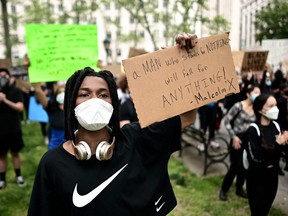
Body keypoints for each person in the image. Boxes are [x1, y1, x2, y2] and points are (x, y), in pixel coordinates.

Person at [28, 33, 198, 215]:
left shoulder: (136, 139)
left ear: (113, 104)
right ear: (71, 104)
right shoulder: (52, 164)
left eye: (103, 95)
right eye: (84, 94)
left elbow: (186, 117)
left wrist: (184, 63)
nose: (95, 100)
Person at [244, 93, 288, 216]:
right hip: (257, 179)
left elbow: (280, 154)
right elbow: (256, 159)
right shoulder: (253, 130)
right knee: (258, 213)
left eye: (276, 105)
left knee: (265, 211)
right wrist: (278, 144)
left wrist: (285, 144)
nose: (275, 109)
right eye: (271, 106)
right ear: (260, 109)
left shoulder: (276, 126)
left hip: (272, 178)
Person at [219, 85, 261, 201]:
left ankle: (239, 188)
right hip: (237, 140)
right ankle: (224, 189)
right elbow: (226, 121)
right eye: (256, 93)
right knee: (235, 166)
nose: (258, 95)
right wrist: (234, 137)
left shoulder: (256, 109)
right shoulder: (238, 106)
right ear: (248, 94)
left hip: (249, 142)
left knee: (245, 167)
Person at [0, 68, 25, 189]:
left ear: (9, 77)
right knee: (2, 156)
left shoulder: (15, 91)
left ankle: (18, 176)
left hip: (14, 129)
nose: (2, 78)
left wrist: (5, 100)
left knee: (15, 154)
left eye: (5, 75)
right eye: (0, 76)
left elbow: (20, 108)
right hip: (1, 131)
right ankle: (2, 179)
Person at [31, 81, 66, 150]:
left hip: (71, 147)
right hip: (55, 146)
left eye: (64, 92)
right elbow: (38, 91)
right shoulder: (51, 107)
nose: (62, 94)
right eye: (60, 93)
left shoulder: (73, 108)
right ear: (56, 95)